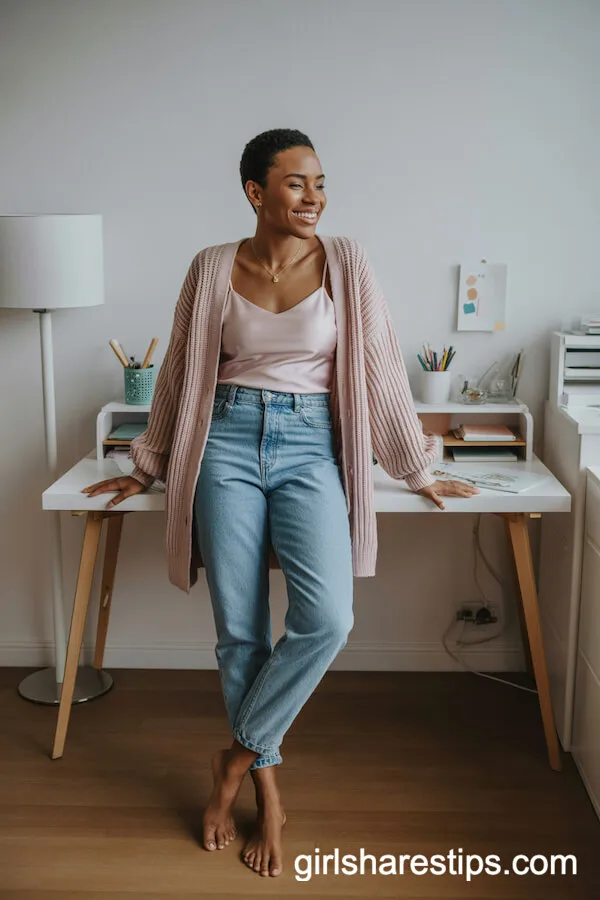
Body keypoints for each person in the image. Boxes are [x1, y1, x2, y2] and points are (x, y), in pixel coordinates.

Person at [82, 128, 478, 878]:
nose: (314, 198)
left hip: (309, 446)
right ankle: (268, 795)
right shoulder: (209, 268)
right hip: (224, 442)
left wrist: (417, 467)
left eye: (321, 183)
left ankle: (233, 759)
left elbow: (382, 365)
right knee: (240, 633)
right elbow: (178, 379)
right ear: (255, 192)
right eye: (296, 183)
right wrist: (149, 464)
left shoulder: (347, 262)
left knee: (327, 618)